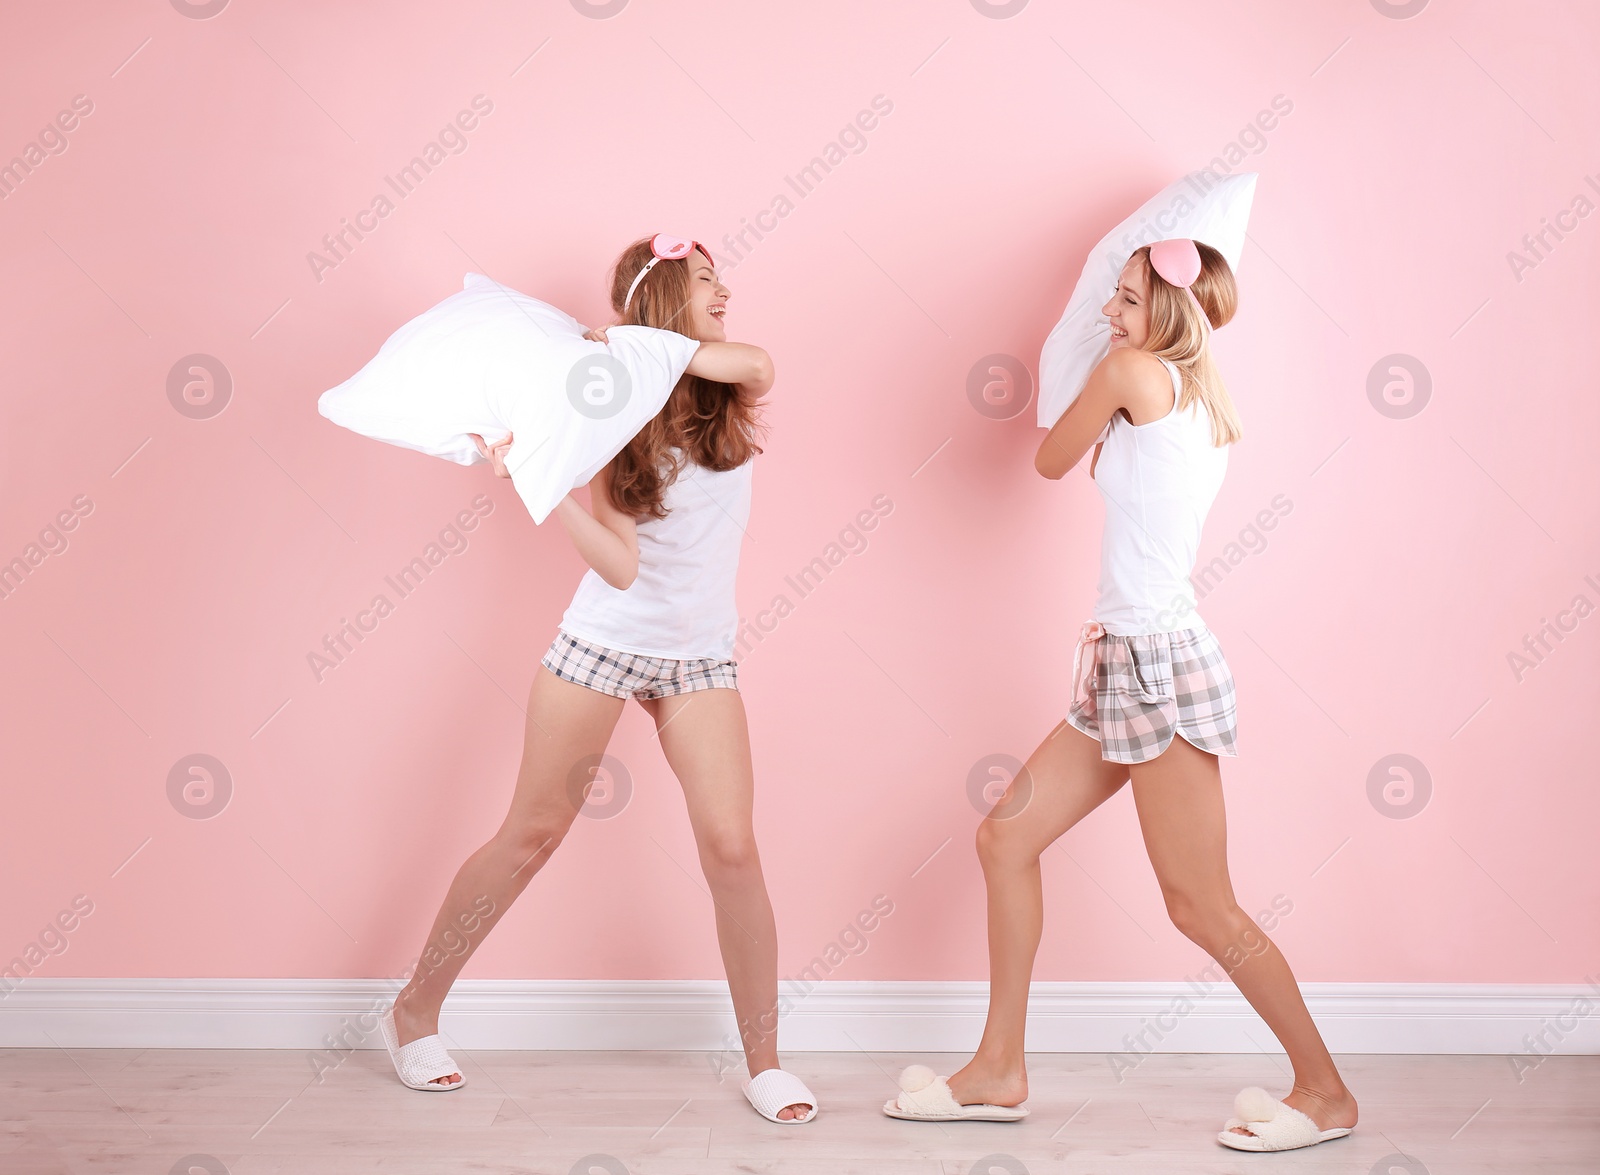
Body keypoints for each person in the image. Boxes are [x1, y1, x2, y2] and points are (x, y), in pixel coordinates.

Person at [881, 238, 1358, 1153]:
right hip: (1121, 664)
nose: (1112, 313)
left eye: (1129, 299)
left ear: (1166, 315)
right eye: (1116, 299)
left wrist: (1100, 363)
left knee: (1199, 904)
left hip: (1157, 666)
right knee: (1006, 835)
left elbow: (1049, 459)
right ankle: (998, 1067)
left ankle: (1327, 1090)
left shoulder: (1136, 374)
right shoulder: (1186, 392)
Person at [378, 233, 817, 1125]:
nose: (725, 289)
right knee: (531, 832)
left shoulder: (726, 386)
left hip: (700, 655)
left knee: (733, 846)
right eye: (705, 280)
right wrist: (539, 484)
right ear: (665, 297)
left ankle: (764, 1062)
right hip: (604, 642)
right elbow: (619, 562)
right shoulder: (607, 408)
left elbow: (759, 360)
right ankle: (411, 1013)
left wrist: (629, 342)